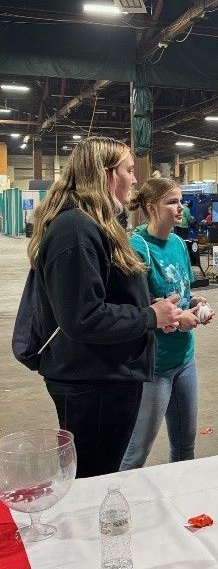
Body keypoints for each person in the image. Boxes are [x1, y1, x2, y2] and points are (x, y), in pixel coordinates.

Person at [28, 137, 182, 478]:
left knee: (102, 474)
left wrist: (152, 311)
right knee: (94, 480)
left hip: (105, 375)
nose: (134, 180)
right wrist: (148, 316)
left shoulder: (94, 225)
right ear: (106, 174)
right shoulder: (76, 229)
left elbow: (103, 296)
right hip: (91, 383)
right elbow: (82, 317)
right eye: (128, 170)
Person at [120, 177, 214, 469]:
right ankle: (119, 508)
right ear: (151, 207)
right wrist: (175, 318)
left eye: (181, 201)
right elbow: (135, 311)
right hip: (154, 365)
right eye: (172, 202)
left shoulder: (177, 243)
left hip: (185, 358)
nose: (180, 208)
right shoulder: (137, 249)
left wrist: (197, 305)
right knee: (137, 452)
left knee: (185, 445)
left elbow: (182, 294)